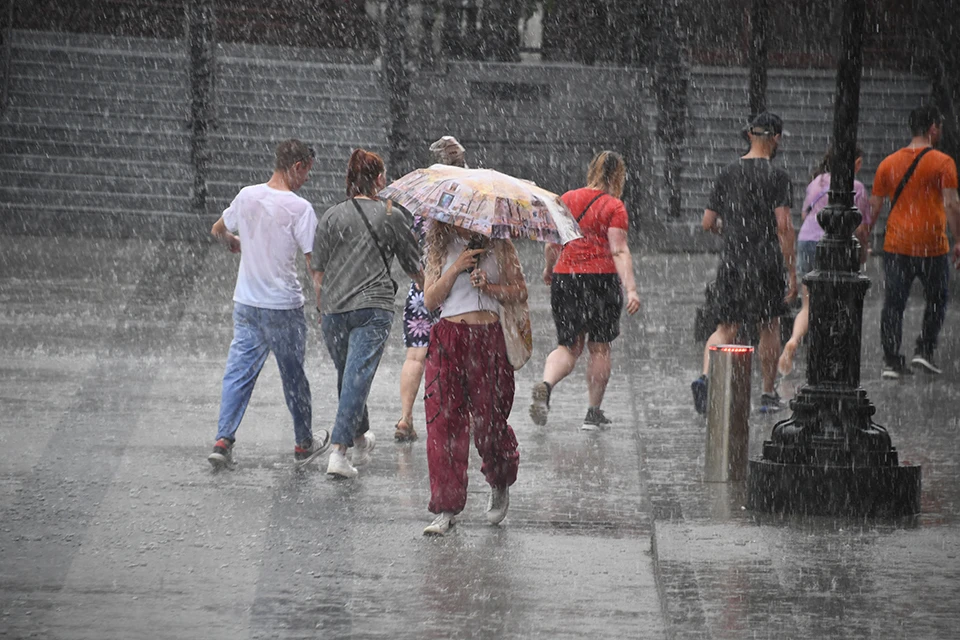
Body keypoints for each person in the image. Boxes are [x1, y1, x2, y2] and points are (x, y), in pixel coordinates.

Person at [207, 139, 329, 470]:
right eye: (307, 173)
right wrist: (322, 305)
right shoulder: (300, 208)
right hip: (283, 307)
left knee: (238, 372)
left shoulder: (247, 195)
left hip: (246, 302)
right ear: (297, 167)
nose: (306, 180)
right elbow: (313, 264)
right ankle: (304, 442)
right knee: (293, 377)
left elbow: (218, 229)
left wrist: (235, 241)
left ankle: (223, 439)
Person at [312, 149, 422, 478]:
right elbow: (414, 267)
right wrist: (435, 295)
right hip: (373, 307)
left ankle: (359, 438)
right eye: (383, 176)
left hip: (333, 309)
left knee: (349, 375)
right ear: (377, 180)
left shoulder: (331, 216)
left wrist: (323, 307)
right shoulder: (391, 214)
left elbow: (317, 273)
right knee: (356, 377)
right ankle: (339, 453)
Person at [420, 222, 527, 536]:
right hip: (448, 338)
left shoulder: (500, 244)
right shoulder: (439, 245)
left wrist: (489, 287)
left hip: (488, 340)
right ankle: (446, 508)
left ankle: (499, 479)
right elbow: (430, 300)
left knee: (489, 421)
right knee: (443, 422)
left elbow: (520, 291)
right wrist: (456, 267)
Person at [691, 112, 797, 415]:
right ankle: (766, 394)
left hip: (733, 260)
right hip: (766, 262)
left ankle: (706, 377)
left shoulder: (727, 172)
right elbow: (783, 226)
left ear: (750, 135)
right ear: (776, 138)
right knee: (768, 324)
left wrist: (732, 230)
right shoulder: (778, 177)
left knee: (726, 326)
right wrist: (791, 270)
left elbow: (707, 222)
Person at [528, 150, 641, 430]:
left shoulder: (567, 198)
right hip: (601, 281)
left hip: (567, 277)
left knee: (568, 346)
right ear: (618, 176)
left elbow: (552, 243)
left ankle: (546, 384)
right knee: (599, 349)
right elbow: (618, 249)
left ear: (592, 170)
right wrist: (632, 289)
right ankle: (592, 413)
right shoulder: (614, 207)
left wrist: (549, 268)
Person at [869, 104, 960, 378]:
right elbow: (952, 204)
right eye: (940, 127)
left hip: (897, 245)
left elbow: (873, 207)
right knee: (937, 299)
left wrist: (863, 237)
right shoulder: (943, 163)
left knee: (894, 303)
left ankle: (891, 361)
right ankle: (924, 350)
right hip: (932, 246)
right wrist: (958, 239)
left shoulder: (888, 163)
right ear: (933, 128)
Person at [393, 136, 467, 442]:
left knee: (415, 355)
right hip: (458, 287)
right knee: (463, 356)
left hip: (424, 285)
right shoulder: (469, 198)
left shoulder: (425, 198)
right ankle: (469, 418)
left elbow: (414, 244)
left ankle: (405, 419)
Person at [778, 147, 873, 375]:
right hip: (835, 243)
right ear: (856, 164)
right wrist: (861, 253)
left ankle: (794, 339)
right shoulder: (856, 187)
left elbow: (804, 215)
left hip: (808, 240)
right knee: (837, 300)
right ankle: (828, 351)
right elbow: (861, 229)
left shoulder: (817, 182)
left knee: (808, 305)